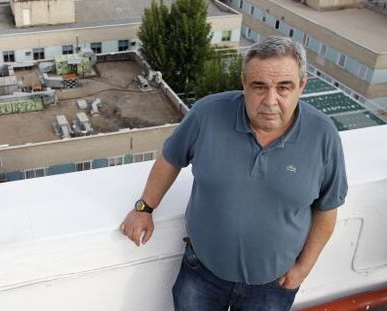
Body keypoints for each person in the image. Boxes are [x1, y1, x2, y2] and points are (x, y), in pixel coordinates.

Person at [120, 35, 348, 310]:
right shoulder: (207, 113)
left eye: (284, 87)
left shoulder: (323, 135)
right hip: (201, 274)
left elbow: (327, 208)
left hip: (272, 286)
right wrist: (144, 208)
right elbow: (171, 159)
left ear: (302, 85)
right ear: (244, 83)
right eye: (259, 86)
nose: (270, 100)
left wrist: (303, 268)